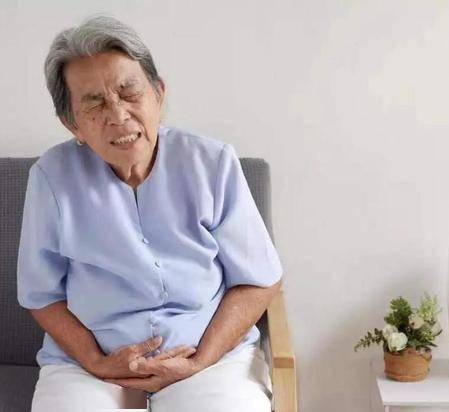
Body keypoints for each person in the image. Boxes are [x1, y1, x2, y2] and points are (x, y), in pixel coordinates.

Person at [17, 15, 282, 412]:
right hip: (91, 367)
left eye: (129, 92)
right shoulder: (51, 177)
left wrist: (201, 360)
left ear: (158, 94)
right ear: (72, 125)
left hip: (210, 361)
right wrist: (96, 361)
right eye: (94, 102)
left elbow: (259, 281)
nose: (118, 115)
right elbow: (41, 295)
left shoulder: (213, 163)